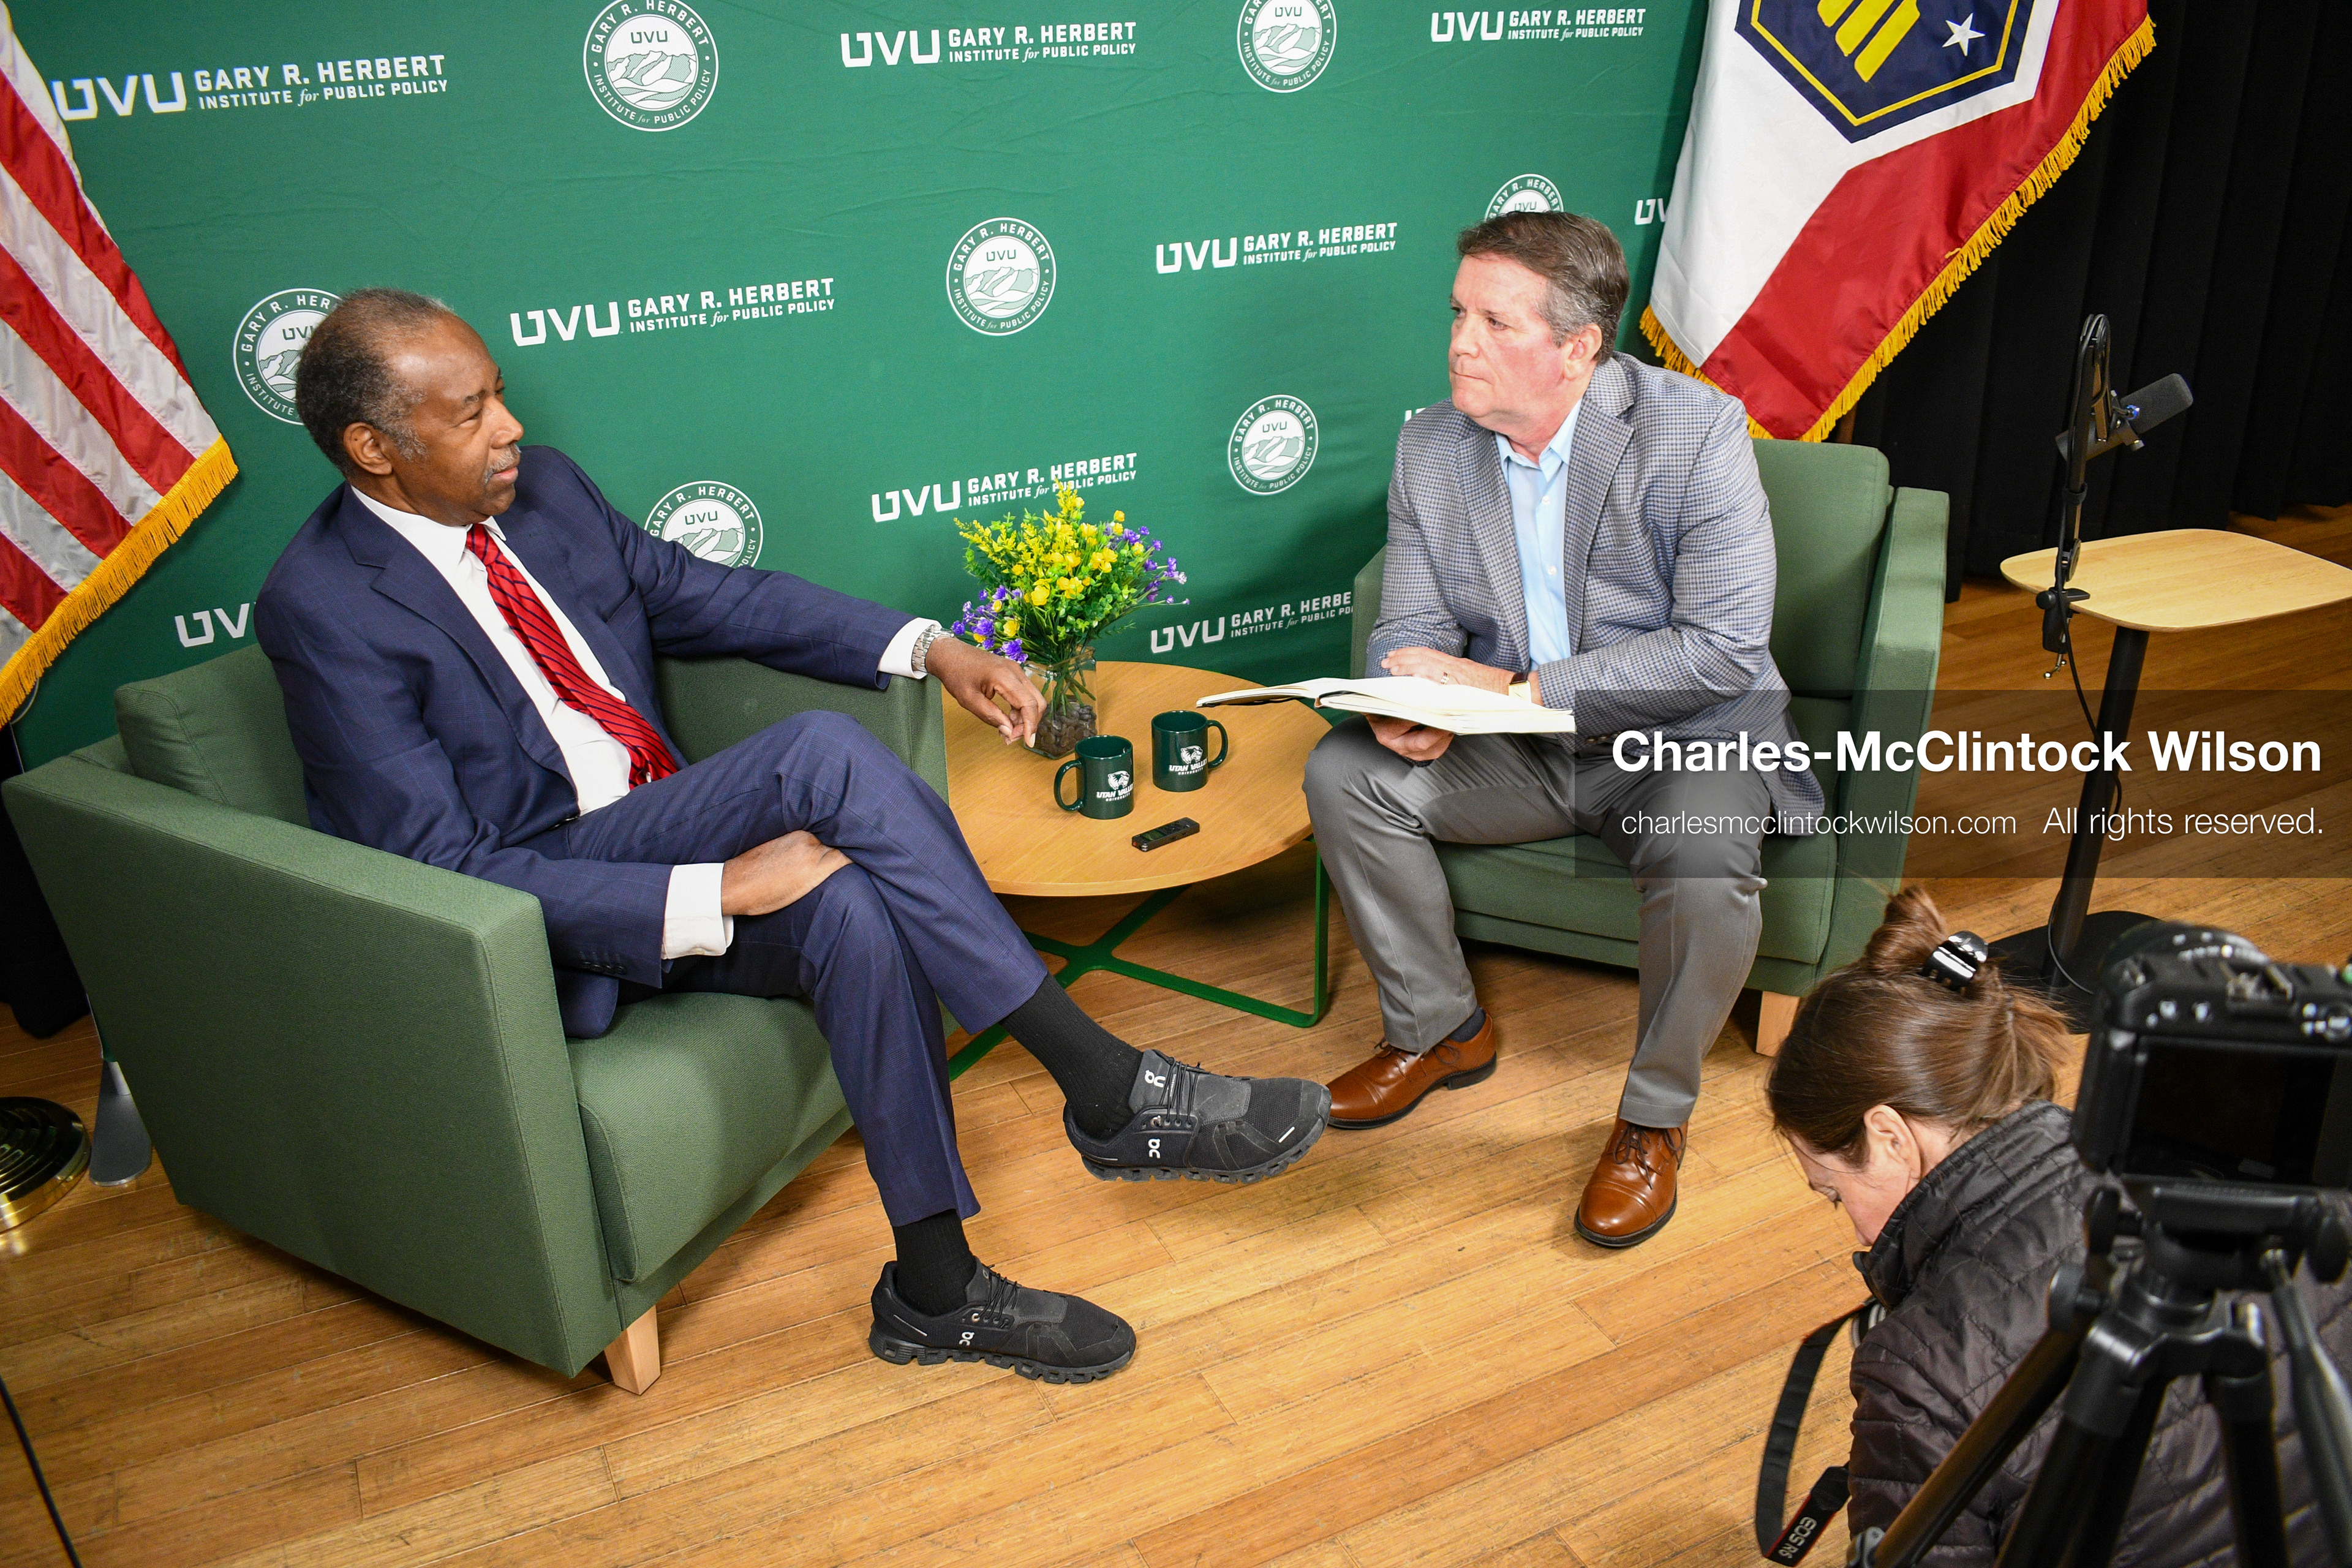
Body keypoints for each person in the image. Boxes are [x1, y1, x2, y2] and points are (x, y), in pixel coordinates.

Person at [255, 289, 1330, 1384]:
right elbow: (447, 868)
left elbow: (711, 596)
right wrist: (714, 892)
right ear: (372, 448)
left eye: (502, 398)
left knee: (850, 908)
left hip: (654, 824)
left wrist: (932, 649)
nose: (510, 428)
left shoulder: (548, 495)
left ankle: (935, 1290)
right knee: (817, 753)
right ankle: (1105, 1087)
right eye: (472, 412)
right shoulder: (324, 606)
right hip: (548, 886)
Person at [1303, 209, 1821, 1248]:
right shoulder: (1429, 444)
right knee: (1343, 773)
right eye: (1458, 313)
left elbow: (1720, 648)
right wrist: (1405, 698)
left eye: (1496, 322)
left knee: (1709, 846)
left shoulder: (1697, 431)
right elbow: (1406, 619)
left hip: (1684, 739)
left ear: (1577, 349)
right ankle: (1441, 1030)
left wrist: (1511, 691)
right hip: (1517, 747)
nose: (1460, 342)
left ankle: (1652, 1120)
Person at [1770, 886, 2350, 1565]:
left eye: (1835, 1194)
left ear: (1891, 1136)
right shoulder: (2281, 1202)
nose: (1860, 1235)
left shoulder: (1921, 1374)